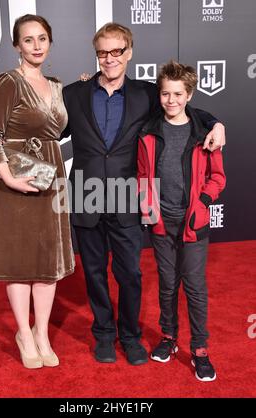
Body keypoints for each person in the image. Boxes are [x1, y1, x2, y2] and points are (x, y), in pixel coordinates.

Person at [62, 22, 226, 366]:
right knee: (93, 271)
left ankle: (130, 336)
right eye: (103, 52)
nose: (110, 58)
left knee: (130, 274)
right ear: (96, 54)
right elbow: (49, 128)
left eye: (117, 51)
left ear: (129, 52)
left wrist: (216, 124)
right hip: (85, 194)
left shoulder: (147, 94)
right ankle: (104, 334)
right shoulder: (73, 94)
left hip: (128, 196)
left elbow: (184, 110)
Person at [0, 14, 75, 369]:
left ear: (50, 43)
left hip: (50, 175)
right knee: (21, 263)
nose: (36, 46)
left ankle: (41, 332)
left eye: (42, 39)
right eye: (28, 40)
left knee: (46, 263)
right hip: (14, 179)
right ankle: (23, 331)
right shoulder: (8, 82)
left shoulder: (57, 85)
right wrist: (7, 176)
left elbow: (62, 125)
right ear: (17, 45)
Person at [137, 60, 226, 381]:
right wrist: (148, 210)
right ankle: (169, 337)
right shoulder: (148, 132)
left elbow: (218, 178)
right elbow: (143, 175)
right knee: (167, 284)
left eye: (177, 94)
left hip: (193, 224)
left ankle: (200, 349)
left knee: (195, 288)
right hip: (161, 223)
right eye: (165, 94)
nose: (171, 100)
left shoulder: (205, 133)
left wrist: (202, 204)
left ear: (189, 94)